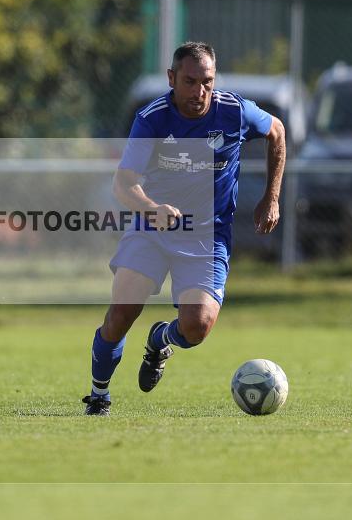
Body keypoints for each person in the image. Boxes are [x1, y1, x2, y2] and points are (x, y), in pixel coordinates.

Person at [82, 41, 286, 415]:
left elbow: (277, 132)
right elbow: (123, 183)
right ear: (172, 78)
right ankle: (99, 395)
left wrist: (271, 198)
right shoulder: (152, 119)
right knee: (121, 314)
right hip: (153, 229)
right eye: (190, 82)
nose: (199, 91)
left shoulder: (235, 112)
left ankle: (161, 338)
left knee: (197, 326)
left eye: (207, 81)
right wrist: (151, 208)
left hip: (207, 237)